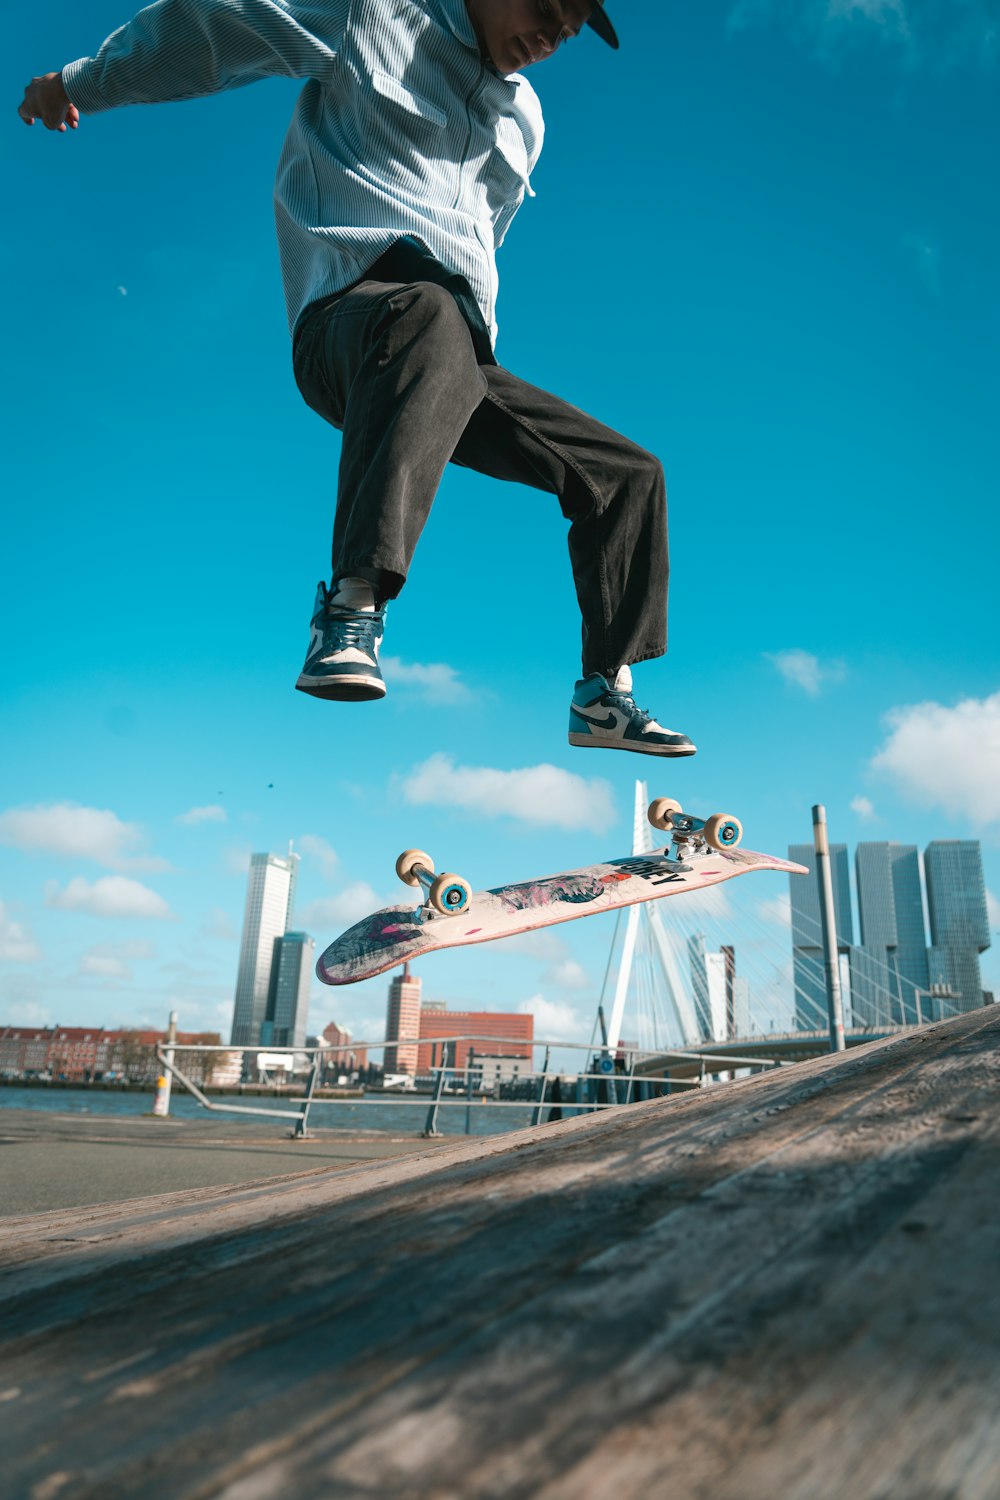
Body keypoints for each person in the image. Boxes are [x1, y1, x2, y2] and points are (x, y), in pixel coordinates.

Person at [19, 0, 695, 758]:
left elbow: (481, 228)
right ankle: (350, 611)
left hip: (449, 358)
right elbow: (214, 25)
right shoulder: (374, 13)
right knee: (429, 313)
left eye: (570, 27)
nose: (553, 34)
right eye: (545, 6)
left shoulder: (525, 120)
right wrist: (79, 83)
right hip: (349, 322)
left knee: (627, 474)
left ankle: (606, 692)